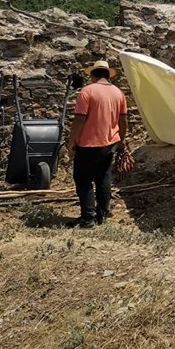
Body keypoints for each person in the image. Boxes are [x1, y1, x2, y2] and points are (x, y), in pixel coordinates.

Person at [68, 59, 128, 228]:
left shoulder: (87, 92)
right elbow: (123, 122)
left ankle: (88, 218)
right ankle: (102, 214)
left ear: (93, 74)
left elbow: (80, 119)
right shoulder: (118, 93)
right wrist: (121, 141)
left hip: (88, 143)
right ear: (108, 75)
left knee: (83, 179)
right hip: (110, 143)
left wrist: (72, 141)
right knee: (103, 178)